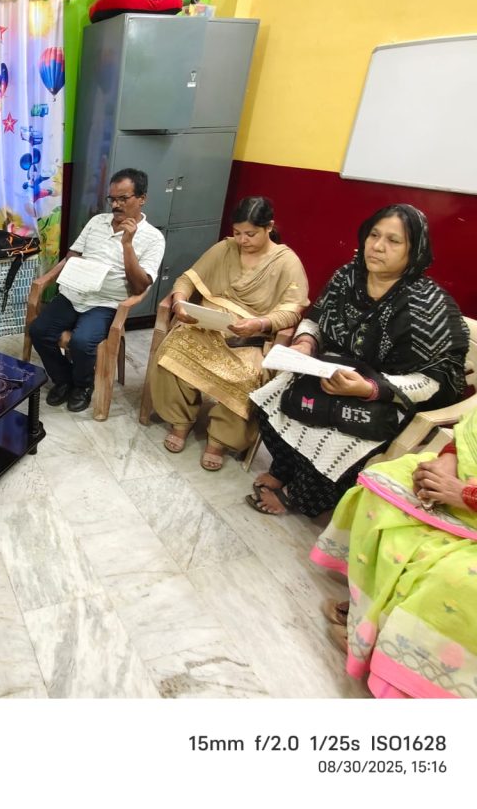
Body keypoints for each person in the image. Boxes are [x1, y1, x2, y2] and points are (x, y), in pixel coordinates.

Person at [248, 204, 469, 517]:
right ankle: (285, 469)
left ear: (414, 251)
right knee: (269, 397)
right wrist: (305, 343)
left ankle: (301, 496)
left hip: (387, 396)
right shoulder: (347, 277)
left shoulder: (429, 306)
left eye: (394, 241)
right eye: (374, 235)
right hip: (332, 371)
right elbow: (316, 318)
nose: (378, 246)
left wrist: (368, 389)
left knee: (336, 436)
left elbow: (436, 381)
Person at [309, 408, 477, 698]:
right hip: (462, 483)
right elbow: (469, 432)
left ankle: (406, 658)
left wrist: (464, 496)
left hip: (466, 498)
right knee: (381, 483)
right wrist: (447, 460)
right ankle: (376, 613)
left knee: (457, 577)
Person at [149, 197, 309, 470]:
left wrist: (260, 324)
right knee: (172, 349)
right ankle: (180, 420)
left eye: (251, 234)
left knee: (248, 376)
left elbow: (293, 310)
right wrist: (179, 302)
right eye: (237, 232)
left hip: (248, 337)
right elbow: (187, 279)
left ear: (269, 227)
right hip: (207, 324)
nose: (242, 240)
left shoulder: (286, 261)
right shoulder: (225, 248)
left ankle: (219, 440)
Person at [28, 168, 165, 413]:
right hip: (74, 293)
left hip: (106, 302)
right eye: (112, 199)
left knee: (82, 342)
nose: (116, 205)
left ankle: (83, 386)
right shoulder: (97, 222)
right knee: (39, 330)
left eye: (123, 198)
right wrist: (76, 269)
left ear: (142, 198)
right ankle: (63, 379)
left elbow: (140, 286)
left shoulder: (153, 238)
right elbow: (73, 254)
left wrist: (127, 245)